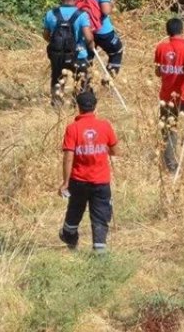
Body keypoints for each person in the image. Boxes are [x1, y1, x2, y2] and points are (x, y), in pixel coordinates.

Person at [58, 90, 119, 252]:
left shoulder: (73, 129)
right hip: (101, 181)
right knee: (100, 215)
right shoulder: (105, 126)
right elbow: (115, 151)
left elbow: (68, 157)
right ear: (95, 107)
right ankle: (99, 250)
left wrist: (65, 182)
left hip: (79, 181)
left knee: (75, 210)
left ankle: (69, 236)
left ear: (78, 107)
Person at [154, 17, 184, 173]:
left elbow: (157, 72)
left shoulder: (161, 48)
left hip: (166, 98)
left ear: (167, 32)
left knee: (169, 130)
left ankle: (171, 167)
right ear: (182, 31)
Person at [44, 0, 95, 105]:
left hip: (58, 54)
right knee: (82, 79)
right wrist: (91, 44)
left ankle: (56, 103)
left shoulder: (51, 14)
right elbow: (88, 37)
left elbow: (46, 35)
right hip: (79, 53)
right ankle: (79, 103)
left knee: (57, 78)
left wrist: (57, 44)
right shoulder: (82, 15)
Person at [75, 0, 125, 78]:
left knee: (86, 59)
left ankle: (84, 88)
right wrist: (111, 4)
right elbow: (106, 11)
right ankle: (107, 82)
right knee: (116, 51)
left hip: (83, 31)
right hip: (103, 30)